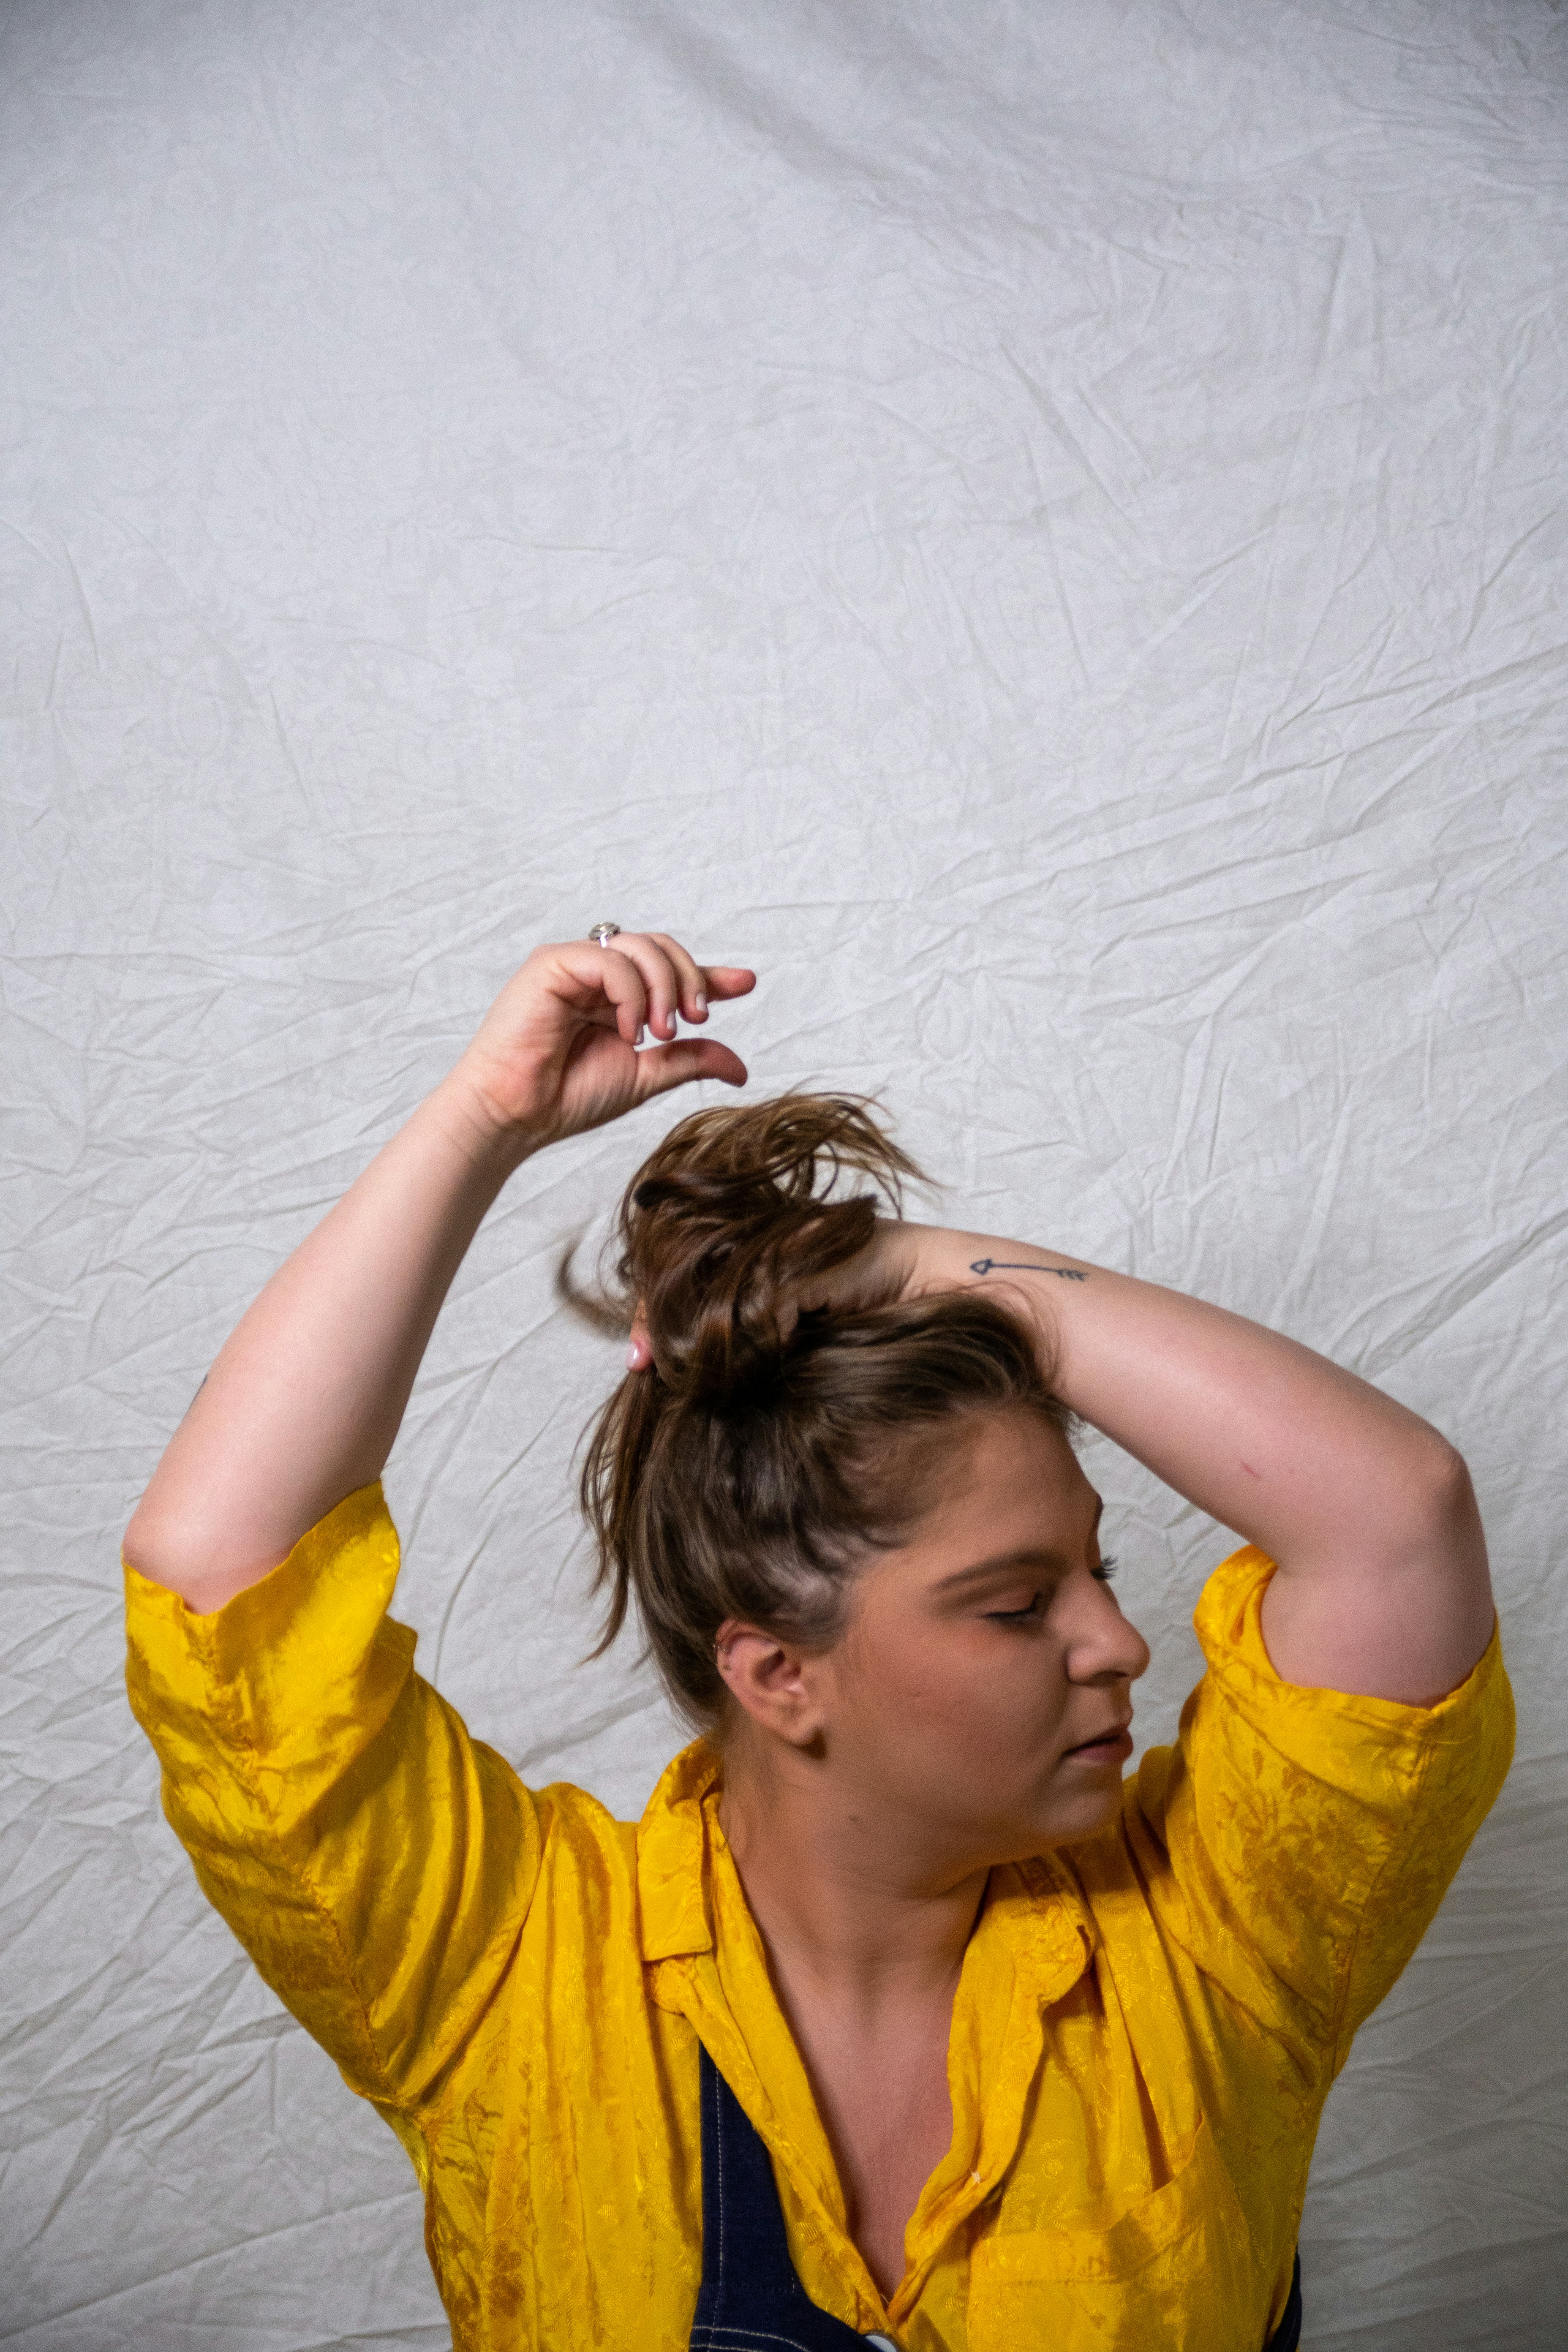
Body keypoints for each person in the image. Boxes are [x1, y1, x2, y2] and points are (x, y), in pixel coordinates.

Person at [122, 928, 1512, 2352]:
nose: (1122, 1642)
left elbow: (1395, 1519)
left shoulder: (1213, 1940)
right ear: (776, 1673)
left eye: (1093, 1571)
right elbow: (221, 1567)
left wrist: (896, 1266)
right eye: (1021, 1602)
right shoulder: (522, 1977)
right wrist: (488, 1119)